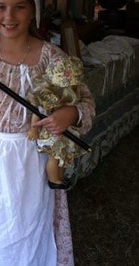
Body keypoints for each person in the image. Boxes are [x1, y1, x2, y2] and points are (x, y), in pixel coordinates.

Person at [0, 0, 95, 266]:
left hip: (37, 161)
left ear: (34, 12)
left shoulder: (54, 58)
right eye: (0, 7)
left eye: (20, 6)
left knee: (33, 223)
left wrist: (72, 114)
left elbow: (86, 103)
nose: (9, 16)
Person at [27, 56, 88, 190]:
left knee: (60, 157)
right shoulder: (48, 99)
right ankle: (54, 179)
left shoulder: (64, 98)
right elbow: (37, 113)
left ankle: (59, 177)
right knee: (54, 157)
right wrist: (34, 129)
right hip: (51, 133)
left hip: (60, 133)